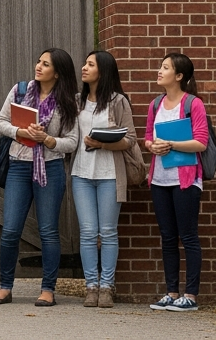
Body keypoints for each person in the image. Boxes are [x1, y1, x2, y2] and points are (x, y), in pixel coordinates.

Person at [0, 49, 80, 308]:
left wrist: (47, 140)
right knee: (10, 230)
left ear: (58, 72)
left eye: (45, 64)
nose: (38, 66)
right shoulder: (20, 90)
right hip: (19, 166)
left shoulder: (68, 101)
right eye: (38, 62)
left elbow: (71, 142)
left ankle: (48, 289)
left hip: (50, 168)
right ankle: (5, 287)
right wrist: (20, 131)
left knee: (49, 232)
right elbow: (1, 121)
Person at [73, 50, 137, 308]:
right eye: (85, 63)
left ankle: (107, 287)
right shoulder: (77, 100)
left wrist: (102, 144)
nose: (84, 68)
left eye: (90, 64)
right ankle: (91, 286)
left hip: (110, 174)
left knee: (108, 232)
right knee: (88, 232)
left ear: (104, 70)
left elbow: (131, 139)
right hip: (81, 174)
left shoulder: (118, 101)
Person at [144, 52, 207, 312]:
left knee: (188, 236)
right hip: (159, 179)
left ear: (179, 76)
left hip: (186, 180)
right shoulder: (155, 104)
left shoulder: (194, 104)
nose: (159, 71)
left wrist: (170, 145)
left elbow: (201, 142)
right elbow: (148, 136)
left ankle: (190, 295)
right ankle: (171, 292)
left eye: (165, 68)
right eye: (161, 67)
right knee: (167, 237)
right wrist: (152, 146)